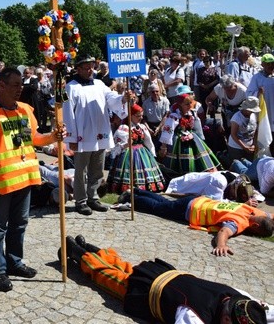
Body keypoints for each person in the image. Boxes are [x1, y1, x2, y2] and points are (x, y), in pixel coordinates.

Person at [0, 67, 63, 292]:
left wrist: (53, 136)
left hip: (26, 177)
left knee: (20, 224)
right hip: (2, 182)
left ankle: (14, 262)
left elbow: (34, 140)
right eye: (15, 85)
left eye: (21, 85)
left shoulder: (25, 110)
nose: (19, 89)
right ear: (1, 86)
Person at [60, 235, 270, 324]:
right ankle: (78, 252)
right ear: (226, 319)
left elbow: (267, 311)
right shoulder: (196, 316)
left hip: (163, 273)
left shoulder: (240, 297)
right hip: (148, 290)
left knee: (126, 268)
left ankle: (92, 248)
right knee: (107, 276)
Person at [63, 54, 130, 216]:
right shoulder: (71, 87)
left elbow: (111, 98)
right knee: (81, 170)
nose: (90, 70)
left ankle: (93, 197)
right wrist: (71, 137)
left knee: (97, 168)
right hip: (82, 134)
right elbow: (67, 113)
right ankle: (80, 200)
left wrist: (123, 99)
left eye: (92, 67)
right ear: (78, 69)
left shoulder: (99, 84)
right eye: (86, 68)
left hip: (100, 131)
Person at [120, 188, 273, 256]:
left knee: (164, 202)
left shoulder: (249, 210)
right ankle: (130, 197)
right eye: (257, 232)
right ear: (256, 226)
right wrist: (221, 245)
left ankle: (135, 191)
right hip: (189, 211)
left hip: (197, 200)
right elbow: (223, 232)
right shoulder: (240, 221)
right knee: (157, 207)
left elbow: (269, 215)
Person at [159, 86, 221, 174]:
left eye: (190, 103)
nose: (190, 106)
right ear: (180, 105)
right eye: (187, 104)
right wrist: (164, 146)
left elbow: (197, 126)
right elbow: (167, 131)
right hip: (178, 141)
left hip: (192, 138)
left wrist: (200, 139)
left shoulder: (191, 113)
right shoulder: (174, 116)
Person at [107, 104, 165, 193]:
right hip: (128, 154)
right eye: (138, 116)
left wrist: (152, 154)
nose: (141, 118)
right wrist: (126, 144)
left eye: (141, 115)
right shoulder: (124, 128)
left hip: (142, 152)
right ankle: (127, 187)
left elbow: (148, 141)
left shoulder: (142, 127)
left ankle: (146, 186)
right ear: (131, 116)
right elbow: (116, 146)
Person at [247, 53, 274, 155]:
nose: (270, 66)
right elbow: (248, 94)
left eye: (272, 63)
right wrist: (258, 93)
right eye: (268, 64)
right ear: (262, 64)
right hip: (264, 112)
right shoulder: (257, 78)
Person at [227, 96, 260, 161]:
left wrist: (254, 144)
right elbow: (233, 134)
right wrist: (244, 147)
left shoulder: (254, 115)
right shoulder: (236, 118)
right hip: (236, 147)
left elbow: (255, 131)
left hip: (250, 146)